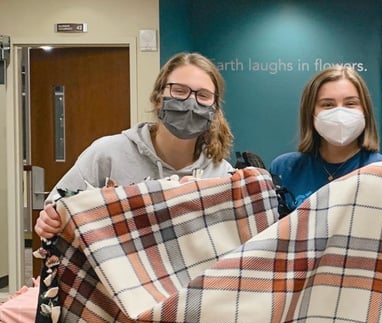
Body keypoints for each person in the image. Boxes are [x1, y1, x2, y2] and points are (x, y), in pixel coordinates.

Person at [34, 52, 235, 239]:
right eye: (179, 91)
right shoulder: (107, 154)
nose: (191, 102)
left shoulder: (221, 176)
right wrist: (50, 220)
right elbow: (56, 208)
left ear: (214, 109)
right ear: (158, 99)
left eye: (203, 96)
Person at [269, 65, 382, 210]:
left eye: (350, 103)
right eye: (328, 105)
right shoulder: (285, 168)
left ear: (365, 111)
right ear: (311, 113)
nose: (340, 113)